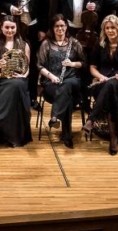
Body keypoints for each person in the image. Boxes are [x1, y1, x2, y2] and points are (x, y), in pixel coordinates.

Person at [84, 15, 118, 155]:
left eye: (113, 27)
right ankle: (114, 136)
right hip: (102, 84)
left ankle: (92, 118)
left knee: (112, 85)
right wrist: (101, 77)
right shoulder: (99, 45)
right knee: (110, 89)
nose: (110, 30)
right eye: (107, 28)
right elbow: (92, 68)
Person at [0, 17, 33, 148]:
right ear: (1, 28)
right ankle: (2, 125)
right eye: (7, 27)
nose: (10, 30)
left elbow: (27, 67)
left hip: (19, 80)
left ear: (16, 28)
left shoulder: (24, 45)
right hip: (0, 81)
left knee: (17, 84)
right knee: (13, 86)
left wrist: (22, 75)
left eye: (12, 27)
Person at [37, 15, 85, 148]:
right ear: (52, 28)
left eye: (62, 25)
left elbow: (84, 63)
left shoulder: (74, 43)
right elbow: (39, 65)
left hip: (72, 80)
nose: (60, 28)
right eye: (57, 26)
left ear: (66, 27)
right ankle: (67, 135)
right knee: (67, 97)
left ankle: (54, 116)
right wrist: (51, 76)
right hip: (52, 83)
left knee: (68, 84)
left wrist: (73, 64)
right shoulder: (46, 44)